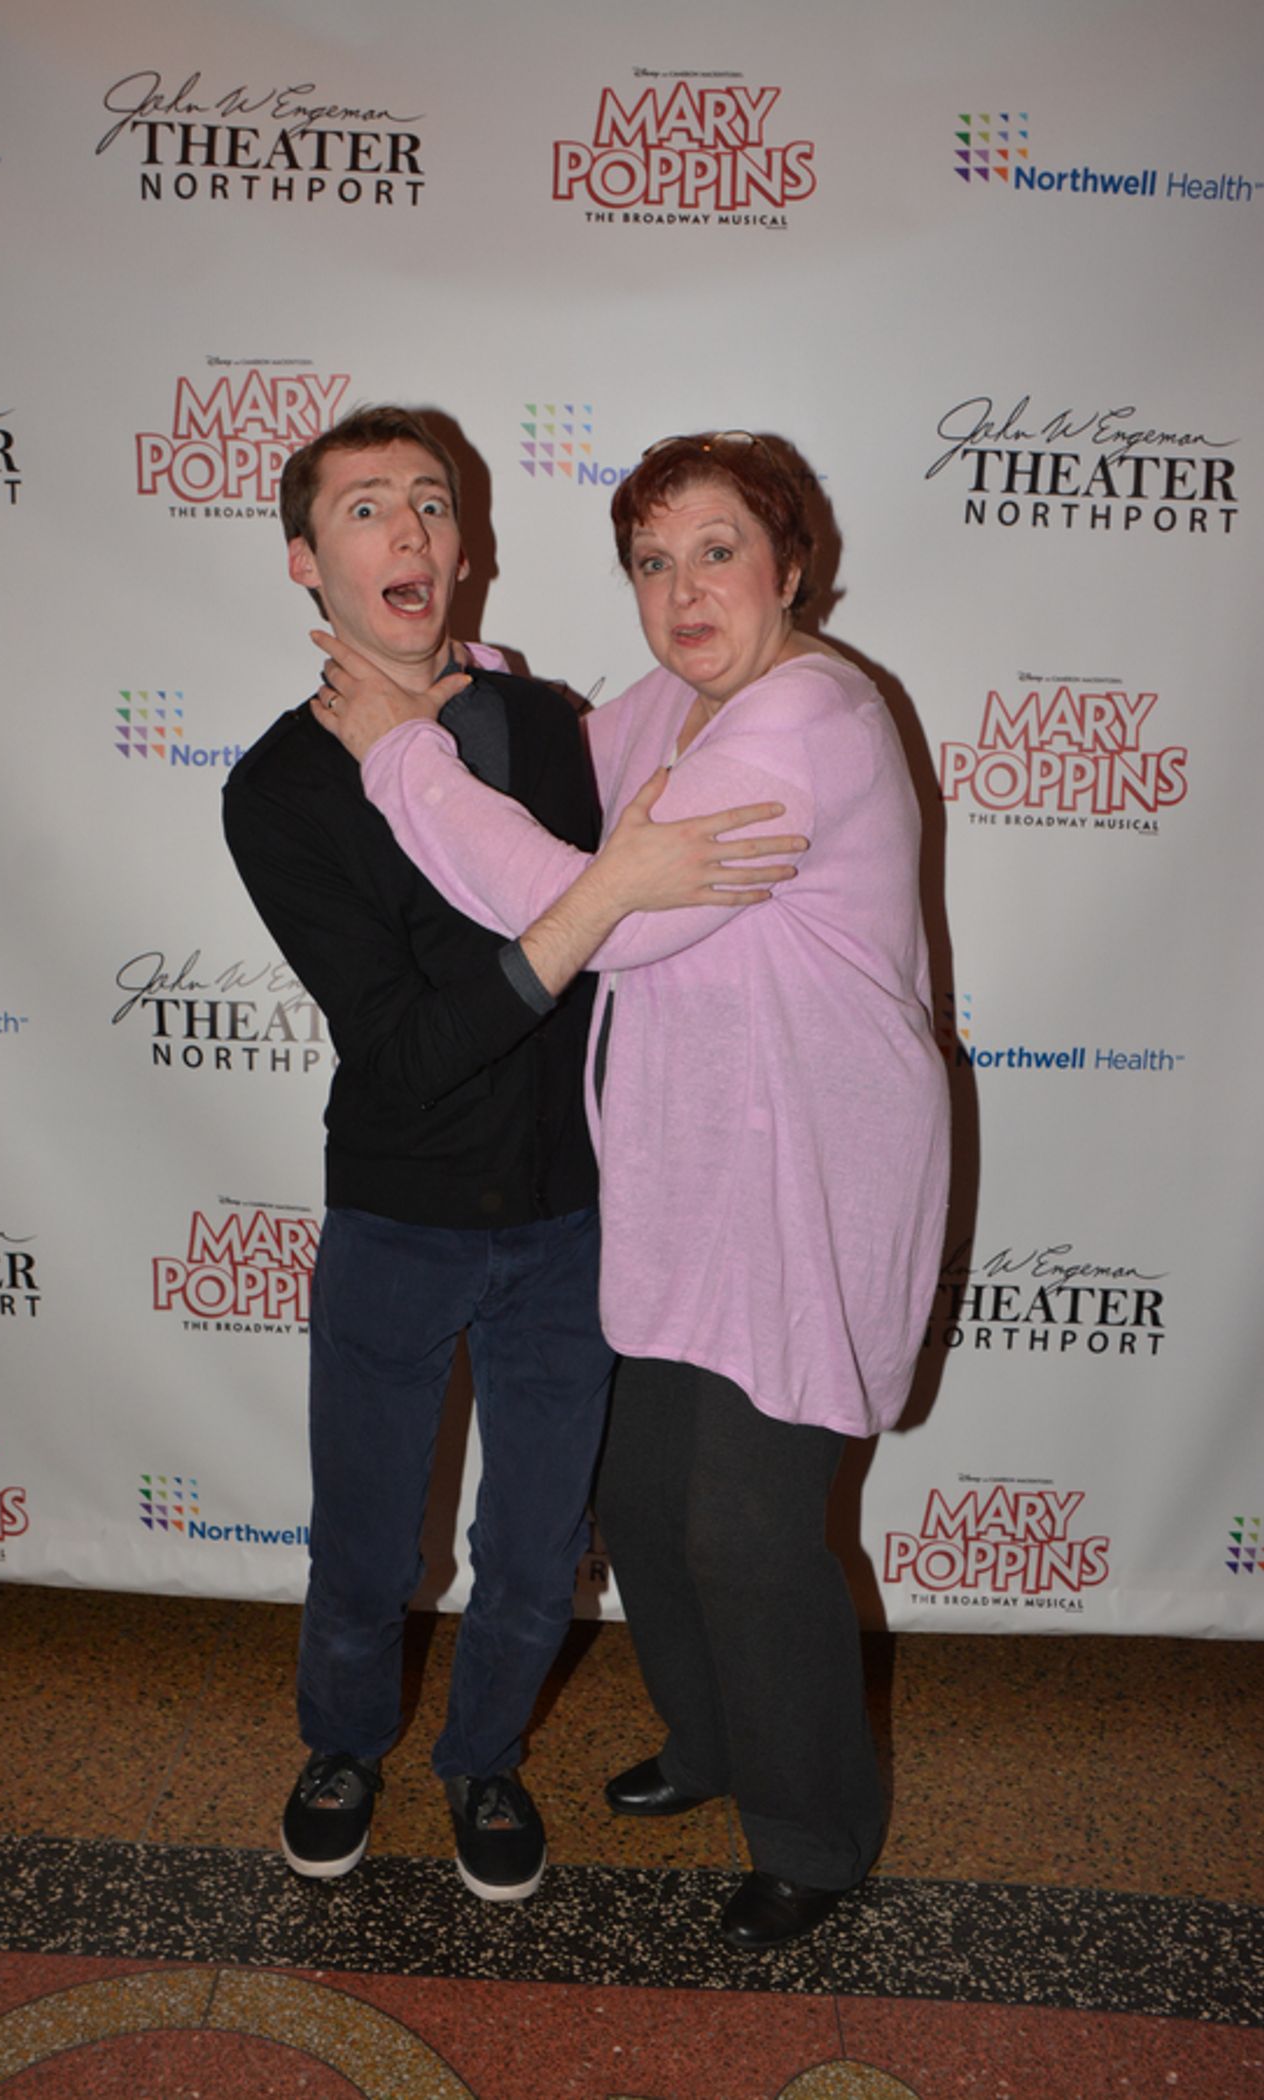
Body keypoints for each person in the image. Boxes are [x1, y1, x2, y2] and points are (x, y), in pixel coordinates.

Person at [313, 429, 951, 1949]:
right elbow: (569, 780)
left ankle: (816, 1829)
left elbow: (585, 911)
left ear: (791, 564)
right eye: (653, 563)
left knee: (742, 1520)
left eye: (717, 552)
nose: (684, 591)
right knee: (642, 1494)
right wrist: (466, 684)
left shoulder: (804, 721)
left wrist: (395, 748)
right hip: (678, 1173)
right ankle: (714, 1740)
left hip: (808, 1180)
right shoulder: (680, 700)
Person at [222, 408, 792, 1905]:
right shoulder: (278, 789)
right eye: (364, 509)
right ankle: (342, 1746)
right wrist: (599, 903)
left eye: (431, 504)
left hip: (568, 1222)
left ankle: (482, 1766)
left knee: (537, 1551)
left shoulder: (549, 730)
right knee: (363, 1546)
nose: (407, 532)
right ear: (307, 562)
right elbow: (407, 1049)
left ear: (466, 550)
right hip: (398, 1219)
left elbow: (664, 928)